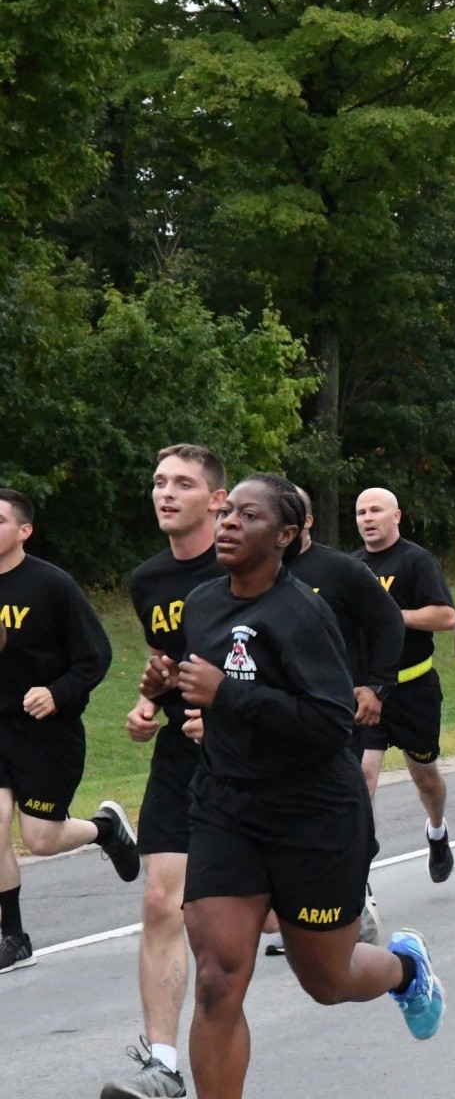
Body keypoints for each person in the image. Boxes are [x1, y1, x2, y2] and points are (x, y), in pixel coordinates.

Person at [172, 474, 443, 1098]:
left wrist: (227, 695)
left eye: (250, 516)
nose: (230, 524)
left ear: (287, 535)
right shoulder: (204, 604)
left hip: (313, 815)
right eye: (227, 513)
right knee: (216, 979)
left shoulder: (303, 612)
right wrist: (174, 692)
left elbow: (328, 724)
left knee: (326, 980)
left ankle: (405, 968)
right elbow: (212, 694)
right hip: (226, 806)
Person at [106, 446, 228, 1098]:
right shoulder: (148, 581)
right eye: (158, 482)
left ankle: (397, 968)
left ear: (217, 499)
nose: (166, 493)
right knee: (161, 901)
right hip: (182, 758)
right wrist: (147, 701)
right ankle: (163, 1062)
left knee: (281, 929)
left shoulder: (249, 569)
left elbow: (282, 659)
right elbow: (166, 656)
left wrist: (230, 714)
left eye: (183, 483)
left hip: (255, 757)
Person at [0, 487, 134, 977]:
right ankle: (12, 936)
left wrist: (57, 693)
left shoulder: (51, 586)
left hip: (46, 732)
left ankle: (105, 829)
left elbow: (96, 655)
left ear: (23, 531)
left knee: (38, 839)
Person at [286, 487, 405, 950]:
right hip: (274, 717)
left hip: (336, 712)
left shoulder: (339, 570)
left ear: (304, 522)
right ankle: (301, 909)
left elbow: (388, 621)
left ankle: (355, 889)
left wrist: (377, 685)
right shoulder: (250, 574)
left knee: (340, 806)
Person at [351, 488, 455, 883]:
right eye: (361, 512)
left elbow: (446, 617)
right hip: (367, 692)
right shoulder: (351, 566)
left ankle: (437, 830)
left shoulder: (415, 560)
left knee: (425, 776)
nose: (367, 518)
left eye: (376, 510)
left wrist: (392, 616)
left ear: (397, 515)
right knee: (362, 775)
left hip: (414, 689)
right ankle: (358, 875)